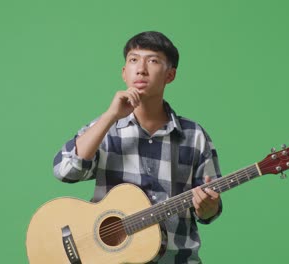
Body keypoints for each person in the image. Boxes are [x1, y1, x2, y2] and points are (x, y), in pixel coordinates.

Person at [53, 31, 223, 263]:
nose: (141, 69)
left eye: (153, 61)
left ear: (170, 75)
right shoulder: (104, 128)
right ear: (124, 73)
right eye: (133, 60)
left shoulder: (194, 136)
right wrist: (111, 115)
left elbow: (209, 209)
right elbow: (65, 171)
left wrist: (208, 207)